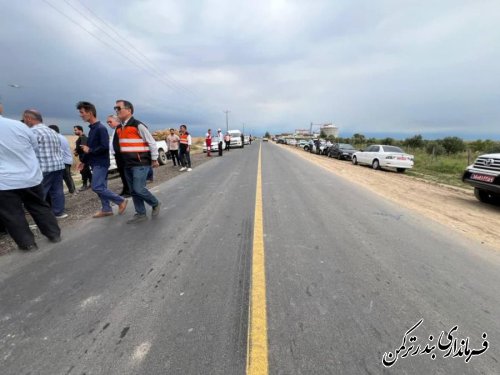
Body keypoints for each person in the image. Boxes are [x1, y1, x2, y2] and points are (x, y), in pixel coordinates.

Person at [0, 109, 61, 250]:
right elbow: (34, 148)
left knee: (13, 214)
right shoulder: (19, 126)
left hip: (4, 181)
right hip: (30, 175)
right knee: (39, 205)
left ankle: (27, 244)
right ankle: (54, 234)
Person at [76, 101, 128, 218]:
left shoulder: (100, 128)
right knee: (102, 187)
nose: (81, 115)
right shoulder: (93, 129)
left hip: (101, 163)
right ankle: (106, 209)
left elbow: (104, 147)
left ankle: (120, 201)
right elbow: (90, 148)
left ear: (90, 113)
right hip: (95, 163)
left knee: (97, 186)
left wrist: (89, 150)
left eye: (82, 112)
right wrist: (84, 161)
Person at [115, 99, 161, 224]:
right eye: (115, 108)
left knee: (139, 189)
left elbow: (151, 142)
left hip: (141, 163)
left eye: (119, 108)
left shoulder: (138, 125)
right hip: (127, 164)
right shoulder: (119, 128)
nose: (116, 111)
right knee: (133, 191)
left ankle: (155, 203)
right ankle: (140, 214)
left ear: (129, 110)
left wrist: (154, 158)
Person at [23, 109, 67, 219]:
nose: (24, 122)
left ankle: (42, 216)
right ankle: (58, 212)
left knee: (40, 193)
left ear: (29, 118)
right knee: (57, 190)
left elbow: (29, 150)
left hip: (44, 167)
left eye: (24, 119)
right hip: (58, 165)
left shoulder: (33, 132)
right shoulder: (51, 131)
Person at [106, 115, 131, 197]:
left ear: (116, 120)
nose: (109, 123)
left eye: (110, 121)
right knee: (122, 173)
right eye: (107, 122)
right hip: (118, 155)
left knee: (125, 173)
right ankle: (125, 189)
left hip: (122, 155)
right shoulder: (115, 130)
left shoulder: (120, 128)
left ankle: (129, 191)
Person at [48, 125, 76, 195]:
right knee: (67, 176)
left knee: (66, 177)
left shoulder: (57, 138)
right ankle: (72, 190)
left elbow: (59, 151)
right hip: (66, 160)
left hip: (64, 160)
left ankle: (73, 191)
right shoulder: (61, 137)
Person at [73, 125, 92, 191]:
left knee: (83, 171)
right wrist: (76, 151)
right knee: (87, 170)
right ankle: (92, 183)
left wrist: (82, 161)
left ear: (80, 130)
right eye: (74, 130)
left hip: (84, 157)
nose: (74, 131)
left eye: (76, 130)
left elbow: (84, 148)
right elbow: (80, 148)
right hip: (83, 157)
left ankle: (84, 185)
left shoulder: (83, 138)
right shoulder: (80, 138)